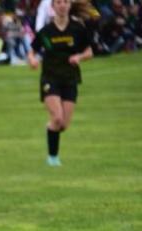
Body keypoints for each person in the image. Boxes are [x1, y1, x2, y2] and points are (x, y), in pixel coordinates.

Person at [28, 0, 92, 166]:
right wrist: (33, 60)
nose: (62, 5)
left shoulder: (77, 29)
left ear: (69, 6)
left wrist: (79, 57)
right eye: (58, 2)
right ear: (53, 7)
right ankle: (53, 158)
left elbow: (89, 52)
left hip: (70, 79)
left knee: (63, 125)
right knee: (57, 118)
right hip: (50, 78)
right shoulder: (46, 31)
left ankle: (51, 130)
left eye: (65, 2)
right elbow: (32, 50)